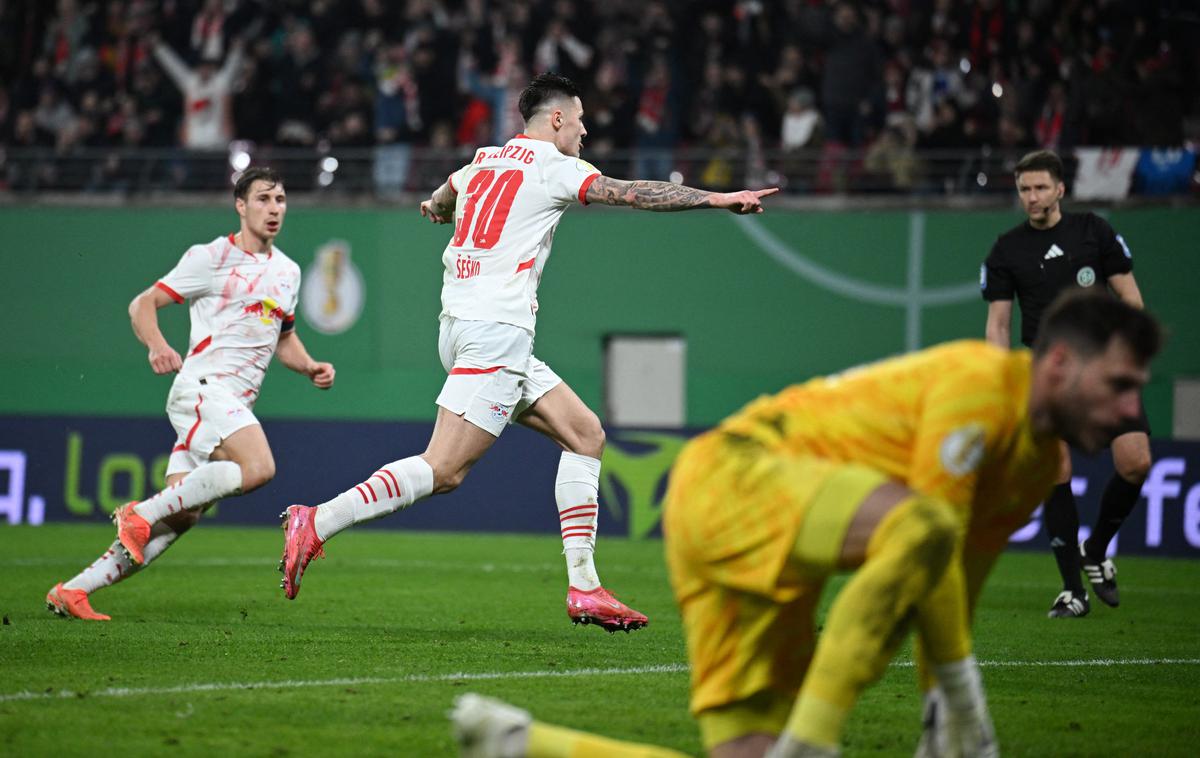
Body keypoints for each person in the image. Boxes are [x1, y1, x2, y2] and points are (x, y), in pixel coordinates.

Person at [448, 290, 1161, 758]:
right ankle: (811, 744)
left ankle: (522, 743)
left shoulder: (1038, 463)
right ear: (1061, 363)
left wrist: (946, 713)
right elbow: (924, 534)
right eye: (1121, 385)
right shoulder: (982, 386)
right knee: (921, 529)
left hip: (761, 526)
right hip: (739, 477)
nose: (1131, 411)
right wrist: (965, 714)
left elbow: (949, 591)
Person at [277, 72, 777, 632]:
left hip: (461, 326)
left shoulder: (483, 160)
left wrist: (437, 209)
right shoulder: (556, 167)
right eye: (581, 119)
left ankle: (586, 587)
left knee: (585, 433)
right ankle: (317, 520)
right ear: (557, 119)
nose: (585, 131)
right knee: (443, 470)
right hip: (496, 332)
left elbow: (441, 197)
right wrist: (716, 198)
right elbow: (634, 193)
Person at [46, 167, 335, 621]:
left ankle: (75, 590)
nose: (274, 208)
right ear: (240, 206)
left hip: (231, 404)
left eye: (280, 199)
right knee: (258, 467)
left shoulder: (288, 271)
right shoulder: (211, 257)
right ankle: (138, 514)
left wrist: (310, 366)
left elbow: (283, 339)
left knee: (181, 518)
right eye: (263, 199)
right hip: (203, 390)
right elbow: (142, 303)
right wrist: (158, 346)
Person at [981, 149, 1151, 618]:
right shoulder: (1006, 250)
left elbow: (1130, 297)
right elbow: (998, 324)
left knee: (1136, 463)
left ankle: (1095, 549)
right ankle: (1072, 590)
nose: (1031, 197)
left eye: (1039, 187)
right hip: (1048, 375)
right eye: (1023, 190)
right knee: (1055, 471)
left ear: (1060, 189)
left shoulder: (1093, 232)